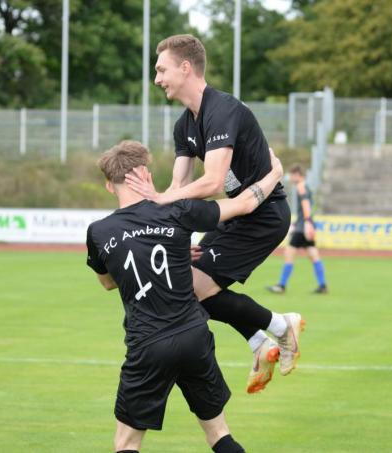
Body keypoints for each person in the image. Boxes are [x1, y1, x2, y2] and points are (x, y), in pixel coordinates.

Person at [124, 34, 303, 394]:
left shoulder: (223, 110)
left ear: (185, 68)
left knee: (190, 288)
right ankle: (261, 341)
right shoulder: (183, 126)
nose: (157, 79)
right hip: (234, 214)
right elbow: (179, 187)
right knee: (182, 285)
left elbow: (213, 181)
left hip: (264, 214)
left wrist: (163, 198)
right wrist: (173, 236)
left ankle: (281, 327)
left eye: (161, 70)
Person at [86, 140, 285, 453]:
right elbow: (245, 204)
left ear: (110, 186)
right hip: (194, 335)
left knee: (126, 443)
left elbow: (108, 282)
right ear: (145, 174)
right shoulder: (177, 210)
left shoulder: (99, 232)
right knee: (219, 434)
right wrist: (274, 174)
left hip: (148, 344)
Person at [267, 164, 328, 294]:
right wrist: (304, 222)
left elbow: (305, 204)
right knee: (314, 255)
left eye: (291, 175)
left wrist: (307, 222)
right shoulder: (307, 186)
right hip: (304, 225)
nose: (290, 178)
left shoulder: (301, 187)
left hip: (303, 228)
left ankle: (281, 285)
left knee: (289, 254)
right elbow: (308, 207)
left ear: (297, 175)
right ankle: (322, 285)